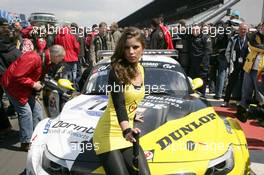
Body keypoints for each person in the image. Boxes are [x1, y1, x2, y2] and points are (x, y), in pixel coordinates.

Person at [93, 27, 150, 175]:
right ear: (122, 50)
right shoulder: (116, 71)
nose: (131, 52)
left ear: (142, 47)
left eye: (135, 47)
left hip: (127, 131)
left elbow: (131, 99)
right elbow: (119, 104)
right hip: (109, 133)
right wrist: (126, 130)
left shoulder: (141, 69)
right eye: (127, 48)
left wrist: (132, 113)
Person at [1, 45, 65, 151]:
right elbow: (18, 76)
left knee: (37, 109)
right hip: (12, 86)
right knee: (26, 113)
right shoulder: (33, 58)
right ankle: (26, 142)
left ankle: (37, 136)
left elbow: (36, 76)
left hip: (23, 86)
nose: (61, 61)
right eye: (61, 58)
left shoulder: (46, 60)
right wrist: (33, 85)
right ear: (56, 56)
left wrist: (35, 91)